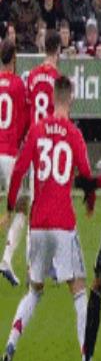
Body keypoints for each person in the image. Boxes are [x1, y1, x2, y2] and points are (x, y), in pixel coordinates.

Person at [1, 76, 93, 361]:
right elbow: (86, 173)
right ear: (71, 98)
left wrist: (10, 204)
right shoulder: (74, 133)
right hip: (63, 223)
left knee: (34, 291)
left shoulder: (38, 130)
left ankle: (11, 343)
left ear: (54, 99)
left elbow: (19, 169)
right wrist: (90, 199)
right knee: (79, 292)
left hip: (38, 224)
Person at [0, 31, 60, 288]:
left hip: (19, 149)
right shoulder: (21, 84)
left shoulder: (32, 76)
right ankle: (28, 264)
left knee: (28, 205)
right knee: (30, 207)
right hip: (23, 151)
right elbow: (28, 118)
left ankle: (17, 261)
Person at [0, 40, 29, 289]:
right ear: (14, 58)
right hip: (9, 154)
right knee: (21, 209)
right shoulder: (18, 85)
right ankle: (6, 259)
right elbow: (24, 120)